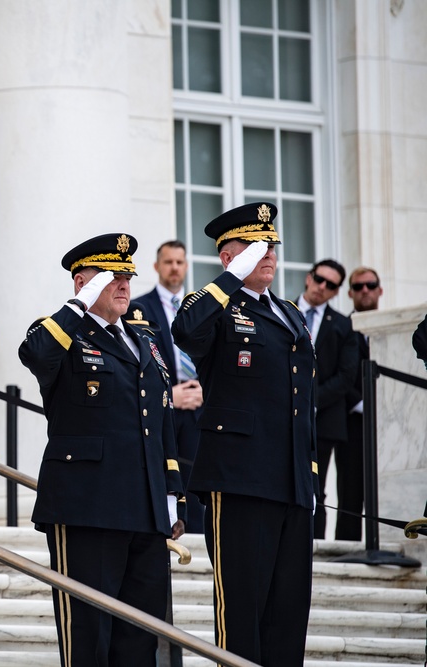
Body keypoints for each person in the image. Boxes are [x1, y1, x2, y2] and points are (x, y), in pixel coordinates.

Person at [19, 233, 184, 666]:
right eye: (111, 276)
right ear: (82, 283)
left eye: (127, 274)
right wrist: (79, 305)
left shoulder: (143, 338)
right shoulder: (61, 332)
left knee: (139, 640)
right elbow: (34, 353)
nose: (124, 284)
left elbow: (161, 420)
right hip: (86, 505)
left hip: (145, 511)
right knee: (88, 637)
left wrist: (171, 493)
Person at [172, 202, 317, 666]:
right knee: (243, 609)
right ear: (227, 256)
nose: (268, 253)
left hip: (290, 482)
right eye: (255, 246)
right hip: (237, 479)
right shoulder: (212, 305)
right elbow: (185, 331)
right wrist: (233, 278)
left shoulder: (291, 314)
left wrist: (308, 476)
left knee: (288, 613)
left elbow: (302, 403)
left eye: (271, 244)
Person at [132, 239, 205, 532]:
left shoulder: (200, 307)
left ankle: (200, 533)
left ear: (186, 266)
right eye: (168, 262)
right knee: (165, 472)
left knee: (198, 478)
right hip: (163, 407)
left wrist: (205, 391)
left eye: (179, 262)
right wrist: (169, 395)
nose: (174, 268)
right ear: (156, 266)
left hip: (199, 406)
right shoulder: (139, 308)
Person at [297, 259, 359, 539]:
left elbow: (347, 377)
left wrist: (310, 400)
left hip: (323, 419)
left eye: (330, 285)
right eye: (319, 279)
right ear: (309, 277)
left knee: (315, 487)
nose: (322, 287)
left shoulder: (343, 325)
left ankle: (314, 550)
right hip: (278, 414)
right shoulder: (280, 309)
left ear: (337, 291)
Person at [340, 267, 383, 540]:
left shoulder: (394, 331)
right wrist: (362, 404)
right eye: (358, 287)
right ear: (350, 293)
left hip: (391, 425)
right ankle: (349, 548)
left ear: (380, 289)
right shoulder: (341, 328)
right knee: (350, 492)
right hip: (351, 423)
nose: (365, 290)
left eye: (370, 285)